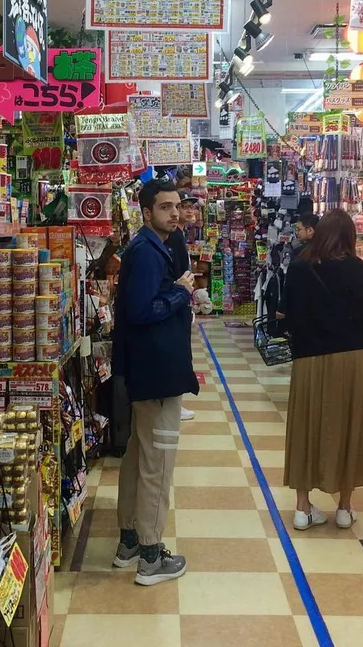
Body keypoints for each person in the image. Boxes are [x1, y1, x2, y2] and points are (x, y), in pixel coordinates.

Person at [283, 209, 363, 531]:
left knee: (305, 427)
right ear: (349, 237)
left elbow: (287, 315)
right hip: (348, 357)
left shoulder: (299, 267)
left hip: (307, 359)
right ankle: (345, 507)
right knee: (349, 427)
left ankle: (303, 509)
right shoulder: (355, 269)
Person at [112, 179, 199, 585]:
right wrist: (181, 293)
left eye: (177, 206)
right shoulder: (147, 252)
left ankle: (129, 540)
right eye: (165, 207)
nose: (175, 213)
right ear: (148, 213)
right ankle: (150, 554)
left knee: (139, 454)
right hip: (157, 372)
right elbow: (142, 310)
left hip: (149, 368)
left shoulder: (152, 247)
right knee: (157, 463)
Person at [167, 189, 200, 422]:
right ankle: (174, 404)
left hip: (180, 300)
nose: (190, 210)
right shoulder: (174, 237)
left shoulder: (179, 235)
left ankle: (176, 402)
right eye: (184, 206)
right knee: (177, 355)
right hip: (175, 302)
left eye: (192, 206)